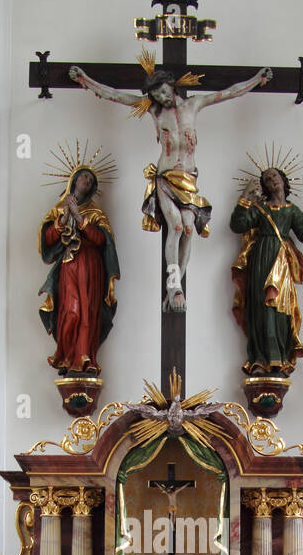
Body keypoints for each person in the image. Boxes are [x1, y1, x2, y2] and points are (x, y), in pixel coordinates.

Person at [69, 60, 272, 311]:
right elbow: (116, 95)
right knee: (175, 226)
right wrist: (86, 81)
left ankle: (177, 287)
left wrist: (256, 80)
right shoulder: (155, 112)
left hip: (189, 178)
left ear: (172, 86)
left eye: (164, 91)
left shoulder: (193, 105)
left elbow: (229, 92)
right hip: (165, 177)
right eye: (156, 95)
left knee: (188, 230)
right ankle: (173, 286)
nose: (163, 98)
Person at [230, 168, 303, 374]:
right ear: (264, 186)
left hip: (282, 263)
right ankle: (260, 358)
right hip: (261, 260)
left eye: (274, 176)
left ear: (283, 180)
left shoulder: (292, 211)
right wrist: (245, 198)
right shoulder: (260, 208)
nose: (271, 180)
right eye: (267, 179)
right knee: (261, 307)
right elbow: (237, 224)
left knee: (279, 308)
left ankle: (280, 355)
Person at [38, 166, 119, 374]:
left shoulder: (96, 213)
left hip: (90, 266)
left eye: (91, 180)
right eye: (84, 177)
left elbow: (102, 240)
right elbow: (47, 240)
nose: (87, 181)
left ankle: (85, 359)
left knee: (88, 312)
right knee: (71, 311)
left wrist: (79, 218)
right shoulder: (58, 209)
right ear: (74, 180)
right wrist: (65, 218)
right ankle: (66, 357)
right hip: (68, 266)